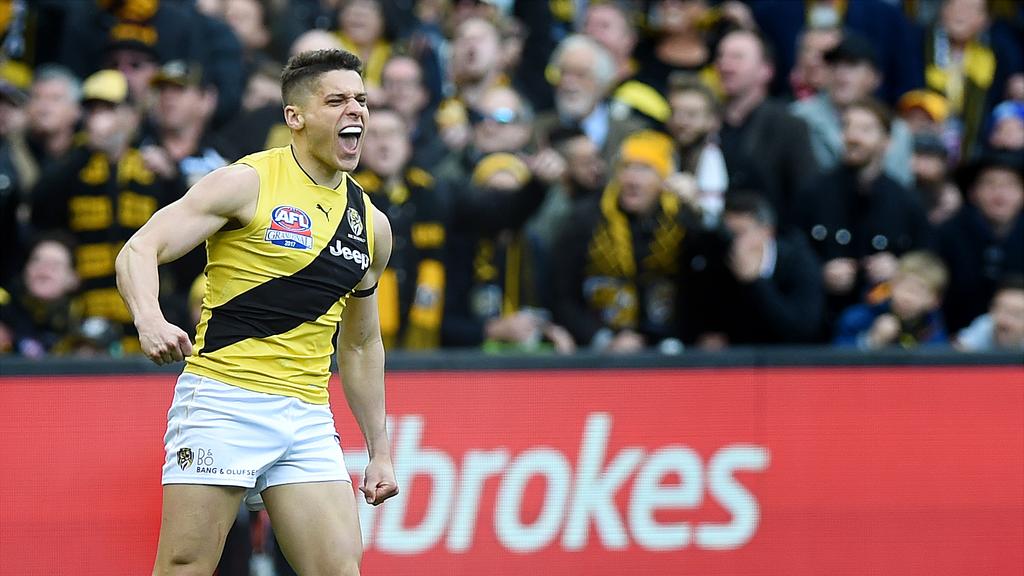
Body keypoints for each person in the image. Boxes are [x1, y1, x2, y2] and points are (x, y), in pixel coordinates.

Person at [114, 49, 398, 575]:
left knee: (340, 571)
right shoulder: (247, 183)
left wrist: (379, 450)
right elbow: (139, 249)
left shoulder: (371, 224)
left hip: (308, 414)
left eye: (360, 99)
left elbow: (360, 344)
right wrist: (149, 319)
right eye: (335, 100)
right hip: (224, 401)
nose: (355, 111)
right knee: (186, 565)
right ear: (295, 116)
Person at [31, 69, 182, 355]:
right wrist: (85, 150)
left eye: (110, 108)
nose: (100, 118)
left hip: (148, 312)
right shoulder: (73, 168)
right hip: (85, 313)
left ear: (132, 116)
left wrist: (172, 178)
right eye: (93, 109)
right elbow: (41, 211)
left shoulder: (154, 168)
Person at [552, 130, 698, 353]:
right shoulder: (585, 218)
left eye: (645, 169)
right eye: (626, 167)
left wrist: (701, 213)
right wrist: (602, 338)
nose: (632, 179)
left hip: (674, 345)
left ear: (665, 178)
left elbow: (710, 284)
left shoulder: (683, 220)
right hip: (601, 348)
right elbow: (562, 294)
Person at [795, 98, 934, 330]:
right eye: (847, 126)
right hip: (818, 324)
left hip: (886, 326)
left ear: (887, 142)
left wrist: (899, 270)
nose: (853, 137)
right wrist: (819, 272)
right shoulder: (813, 193)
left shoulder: (906, 203)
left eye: (865, 129)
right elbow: (790, 251)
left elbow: (929, 264)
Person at [681, 192, 825, 348]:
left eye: (740, 233)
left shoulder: (799, 262)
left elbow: (802, 330)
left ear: (767, 232)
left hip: (786, 359)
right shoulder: (713, 257)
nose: (733, 242)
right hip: (732, 359)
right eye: (728, 234)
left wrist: (755, 282)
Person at [715, 28, 819, 230]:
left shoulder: (789, 127)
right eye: (721, 56)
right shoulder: (707, 123)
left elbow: (807, 198)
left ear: (766, 70)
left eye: (737, 57)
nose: (725, 65)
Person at [791, 33, 915, 187]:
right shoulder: (797, 118)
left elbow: (899, 191)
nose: (841, 73)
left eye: (852, 64)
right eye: (834, 64)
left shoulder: (896, 130)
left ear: (875, 78)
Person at [938, 152, 1023, 332]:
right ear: (973, 192)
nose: (999, 194)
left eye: (1010, 184)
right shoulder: (947, 234)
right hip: (954, 342)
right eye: (990, 183)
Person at [534, 34, 647, 165]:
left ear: (602, 83)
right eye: (563, 73)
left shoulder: (633, 134)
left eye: (581, 74)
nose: (568, 83)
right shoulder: (537, 130)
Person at [835, 251, 949, 349]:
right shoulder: (858, 317)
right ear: (890, 285)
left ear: (935, 300)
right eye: (902, 286)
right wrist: (872, 340)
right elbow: (836, 360)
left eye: (918, 291)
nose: (907, 297)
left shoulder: (934, 328)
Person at [955, 274, 1024, 352]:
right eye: (1000, 310)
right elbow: (958, 352)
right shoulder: (984, 325)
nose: (1005, 321)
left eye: (1016, 314)